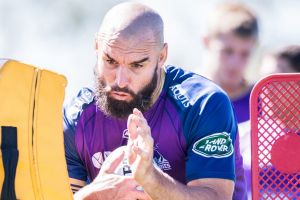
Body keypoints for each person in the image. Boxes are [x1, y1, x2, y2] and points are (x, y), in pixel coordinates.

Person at [63, 2, 246, 200]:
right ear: (97, 47)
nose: (120, 81)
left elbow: (216, 197)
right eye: (111, 61)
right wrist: (95, 193)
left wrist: (150, 178)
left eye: (136, 65)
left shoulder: (203, 105)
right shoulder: (77, 115)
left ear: (161, 57)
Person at [202, 3, 259, 199]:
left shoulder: (262, 102)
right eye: (227, 51)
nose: (236, 63)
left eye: (245, 54)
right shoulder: (185, 99)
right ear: (206, 42)